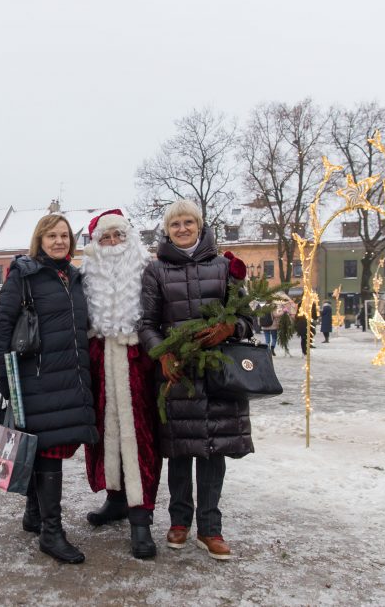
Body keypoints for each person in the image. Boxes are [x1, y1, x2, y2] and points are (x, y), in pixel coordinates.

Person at [139, 199, 256, 561]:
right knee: (179, 450)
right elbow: (146, 324)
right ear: (168, 230)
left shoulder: (224, 268)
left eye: (189, 222)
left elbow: (248, 320)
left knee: (213, 450)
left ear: (201, 225)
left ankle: (210, 528)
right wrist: (163, 354)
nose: (183, 229)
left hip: (219, 374)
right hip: (179, 375)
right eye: (176, 225)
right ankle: (179, 521)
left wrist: (229, 327)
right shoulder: (156, 272)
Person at [0, 213, 98, 565]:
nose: (59, 241)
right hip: (36, 381)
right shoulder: (25, 275)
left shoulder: (74, 277)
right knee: (48, 451)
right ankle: (52, 533)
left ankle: (34, 514)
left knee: (41, 448)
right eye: (52, 236)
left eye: (64, 235)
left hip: (69, 379)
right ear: (40, 240)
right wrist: (6, 378)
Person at [80, 209, 162, 559]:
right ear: (96, 245)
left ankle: (141, 518)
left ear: (130, 241)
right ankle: (115, 499)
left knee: (141, 439)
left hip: (138, 361)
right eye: (106, 238)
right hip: (99, 359)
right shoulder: (85, 276)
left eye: (119, 236)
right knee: (102, 433)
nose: (113, 243)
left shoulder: (148, 272)